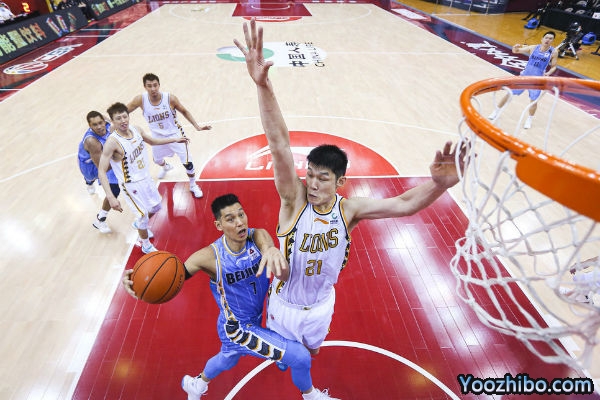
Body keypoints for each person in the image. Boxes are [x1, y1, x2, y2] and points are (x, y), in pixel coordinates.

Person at [233, 18, 465, 360]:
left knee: (311, 354)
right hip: (285, 305)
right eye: (310, 174)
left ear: (340, 182)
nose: (312, 183)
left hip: (322, 305)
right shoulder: (294, 199)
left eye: (323, 178)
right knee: (285, 359)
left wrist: (438, 185)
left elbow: (404, 204)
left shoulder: (349, 210)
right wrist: (263, 85)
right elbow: (279, 144)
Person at [122, 193, 338, 400]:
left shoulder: (257, 237)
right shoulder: (209, 257)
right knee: (300, 357)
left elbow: (262, 237)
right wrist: (139, 284)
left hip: (257, 318)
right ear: (219, 225)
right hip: (237, 328)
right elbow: (175, 276)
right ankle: (311, 396)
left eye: (241, 214)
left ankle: (196, 384)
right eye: (230, 219)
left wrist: (270, 249)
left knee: (228, 358)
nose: (239, 222)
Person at [98, 102, 190, 254]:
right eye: (118, 118)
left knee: (157, 207)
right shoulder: (112, 143)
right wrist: (111, 196)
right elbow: (101, 171)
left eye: (124, 116)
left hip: (145, 179)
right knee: (142, 216)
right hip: (130, 184)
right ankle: (145, 245)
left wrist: (174, 139)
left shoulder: (137, 130)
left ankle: (138, 224)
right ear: (112, 122)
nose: (123, 121)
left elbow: (152, 141)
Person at [127, 73, 212, 199]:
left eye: (155, 85)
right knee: (157, 160)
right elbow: (123, 112)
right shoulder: (140, 100)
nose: (153, 88)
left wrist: (197, 126)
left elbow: (184, 111)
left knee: (188, 162)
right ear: (145, 87)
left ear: (159, 85)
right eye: (149, 86)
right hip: (157, 137)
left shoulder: (170, 98)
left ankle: (193, 185)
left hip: (175, 135)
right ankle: (166, 167)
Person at [488, 31, 558, 129]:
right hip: (524, 77)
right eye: (546, 37)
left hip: (537, 80)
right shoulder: (533, 48)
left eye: (550, 38)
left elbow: (554, 66)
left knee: (533, 101)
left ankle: (529, 119)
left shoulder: (553, 52)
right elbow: (516, 51)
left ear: (552, 41)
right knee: (509, 93)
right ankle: (496, 111)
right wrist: (515, 47)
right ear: (542, 39)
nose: (548, 40)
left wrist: (548, 73)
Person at [77, 110, 120, 233]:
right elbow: (102, 167)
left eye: (101, 122)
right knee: (91, 178)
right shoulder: (92, 141)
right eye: (95, 125)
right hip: (90, 165)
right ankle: (88, 181)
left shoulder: (108, 124)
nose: (100, 126)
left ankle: (100, 219)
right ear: (90, 126)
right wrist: (121, 157)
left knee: (115, 190)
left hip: (104, 157)